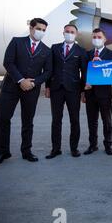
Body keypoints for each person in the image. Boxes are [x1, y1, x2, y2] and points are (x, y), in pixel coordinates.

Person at [0, 18, 52, 166]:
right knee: (3, 118)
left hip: (31, 90)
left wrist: (34, 82)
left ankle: (26, 151)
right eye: (39, 29)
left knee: (28, 121)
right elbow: (8, 62)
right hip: (10, 88)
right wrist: (20, 80)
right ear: (31, 28)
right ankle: (2, 152)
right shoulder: (17, 42)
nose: (41, 32)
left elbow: (48, 72)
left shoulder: (46, 50)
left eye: (44, 30)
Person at [45, 24, 88, 159]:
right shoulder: (55, 48)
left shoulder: (81, 51)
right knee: (56, 120)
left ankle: (74, 148)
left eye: (72, 32)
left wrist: (83, 92)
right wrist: (47, 87)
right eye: (67, 31)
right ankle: (55, 149)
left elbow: (84, 73)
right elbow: (49, 69)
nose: (69, 33)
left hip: (73, 90)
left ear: (76, 34)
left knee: (74, 120)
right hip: (56, 89)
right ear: (63, 33)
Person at [83, 28, 112, 156]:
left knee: (106, 120)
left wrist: (103, 66)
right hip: (89, 93)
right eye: (94, 37)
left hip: (104, 93)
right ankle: (93, 145)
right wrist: (83, 91)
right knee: (92, 120)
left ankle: (108, 145)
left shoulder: (111, 55)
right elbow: (84, 73)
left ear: (105, 39)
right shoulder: (87, 54)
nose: (96, 39)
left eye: (99, 37)